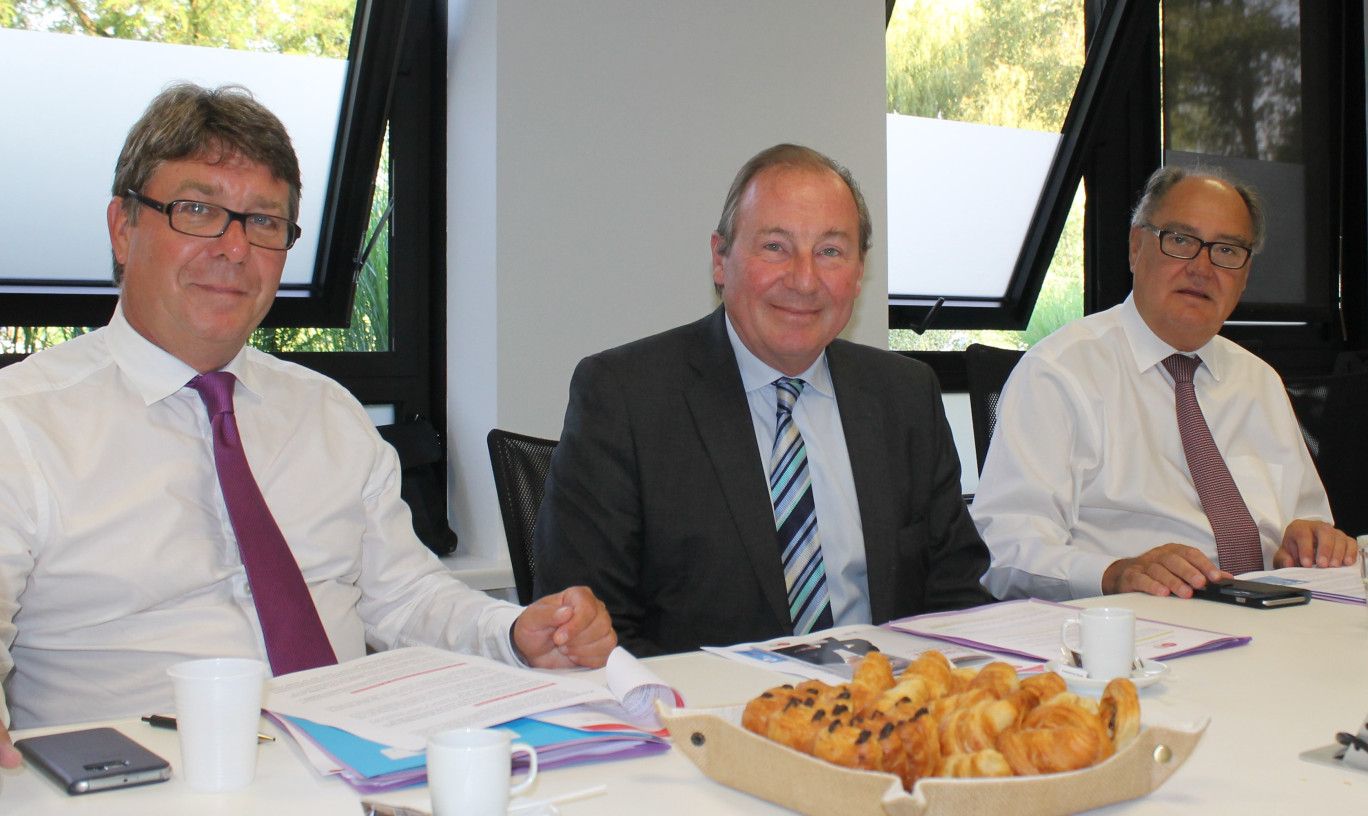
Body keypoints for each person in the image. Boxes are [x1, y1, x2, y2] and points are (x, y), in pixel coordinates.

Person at [0, 83, 615, 767]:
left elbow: (404, 596)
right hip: (147, 784)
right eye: (198, 210)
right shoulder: (20, 425)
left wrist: (514, 630)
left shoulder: (327, 414)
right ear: (123, 226)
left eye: (263, 222)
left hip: (362, 769)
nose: (234, 249)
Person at [532, 143, 993, 657]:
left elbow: (958, 601)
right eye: (775, 247)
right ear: (720, 259)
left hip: (883, 710)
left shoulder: (905, 395)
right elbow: (591, 631)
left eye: (830, 252)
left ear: (860, 273)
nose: (803, 280)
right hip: (704, 719)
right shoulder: (624, 397)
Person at [971, 165, 1357, 602]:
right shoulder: (1059, 373)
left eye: (1227, 250)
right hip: (1137, 628)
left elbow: (1306, 522)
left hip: (1272, 615)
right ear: (1136, 247)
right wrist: (1116, 573)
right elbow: (1006, 552)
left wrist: (1309, 540)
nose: (1202, 267)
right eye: (1180, 240)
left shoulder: (1259, 381)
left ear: (1245, 275)